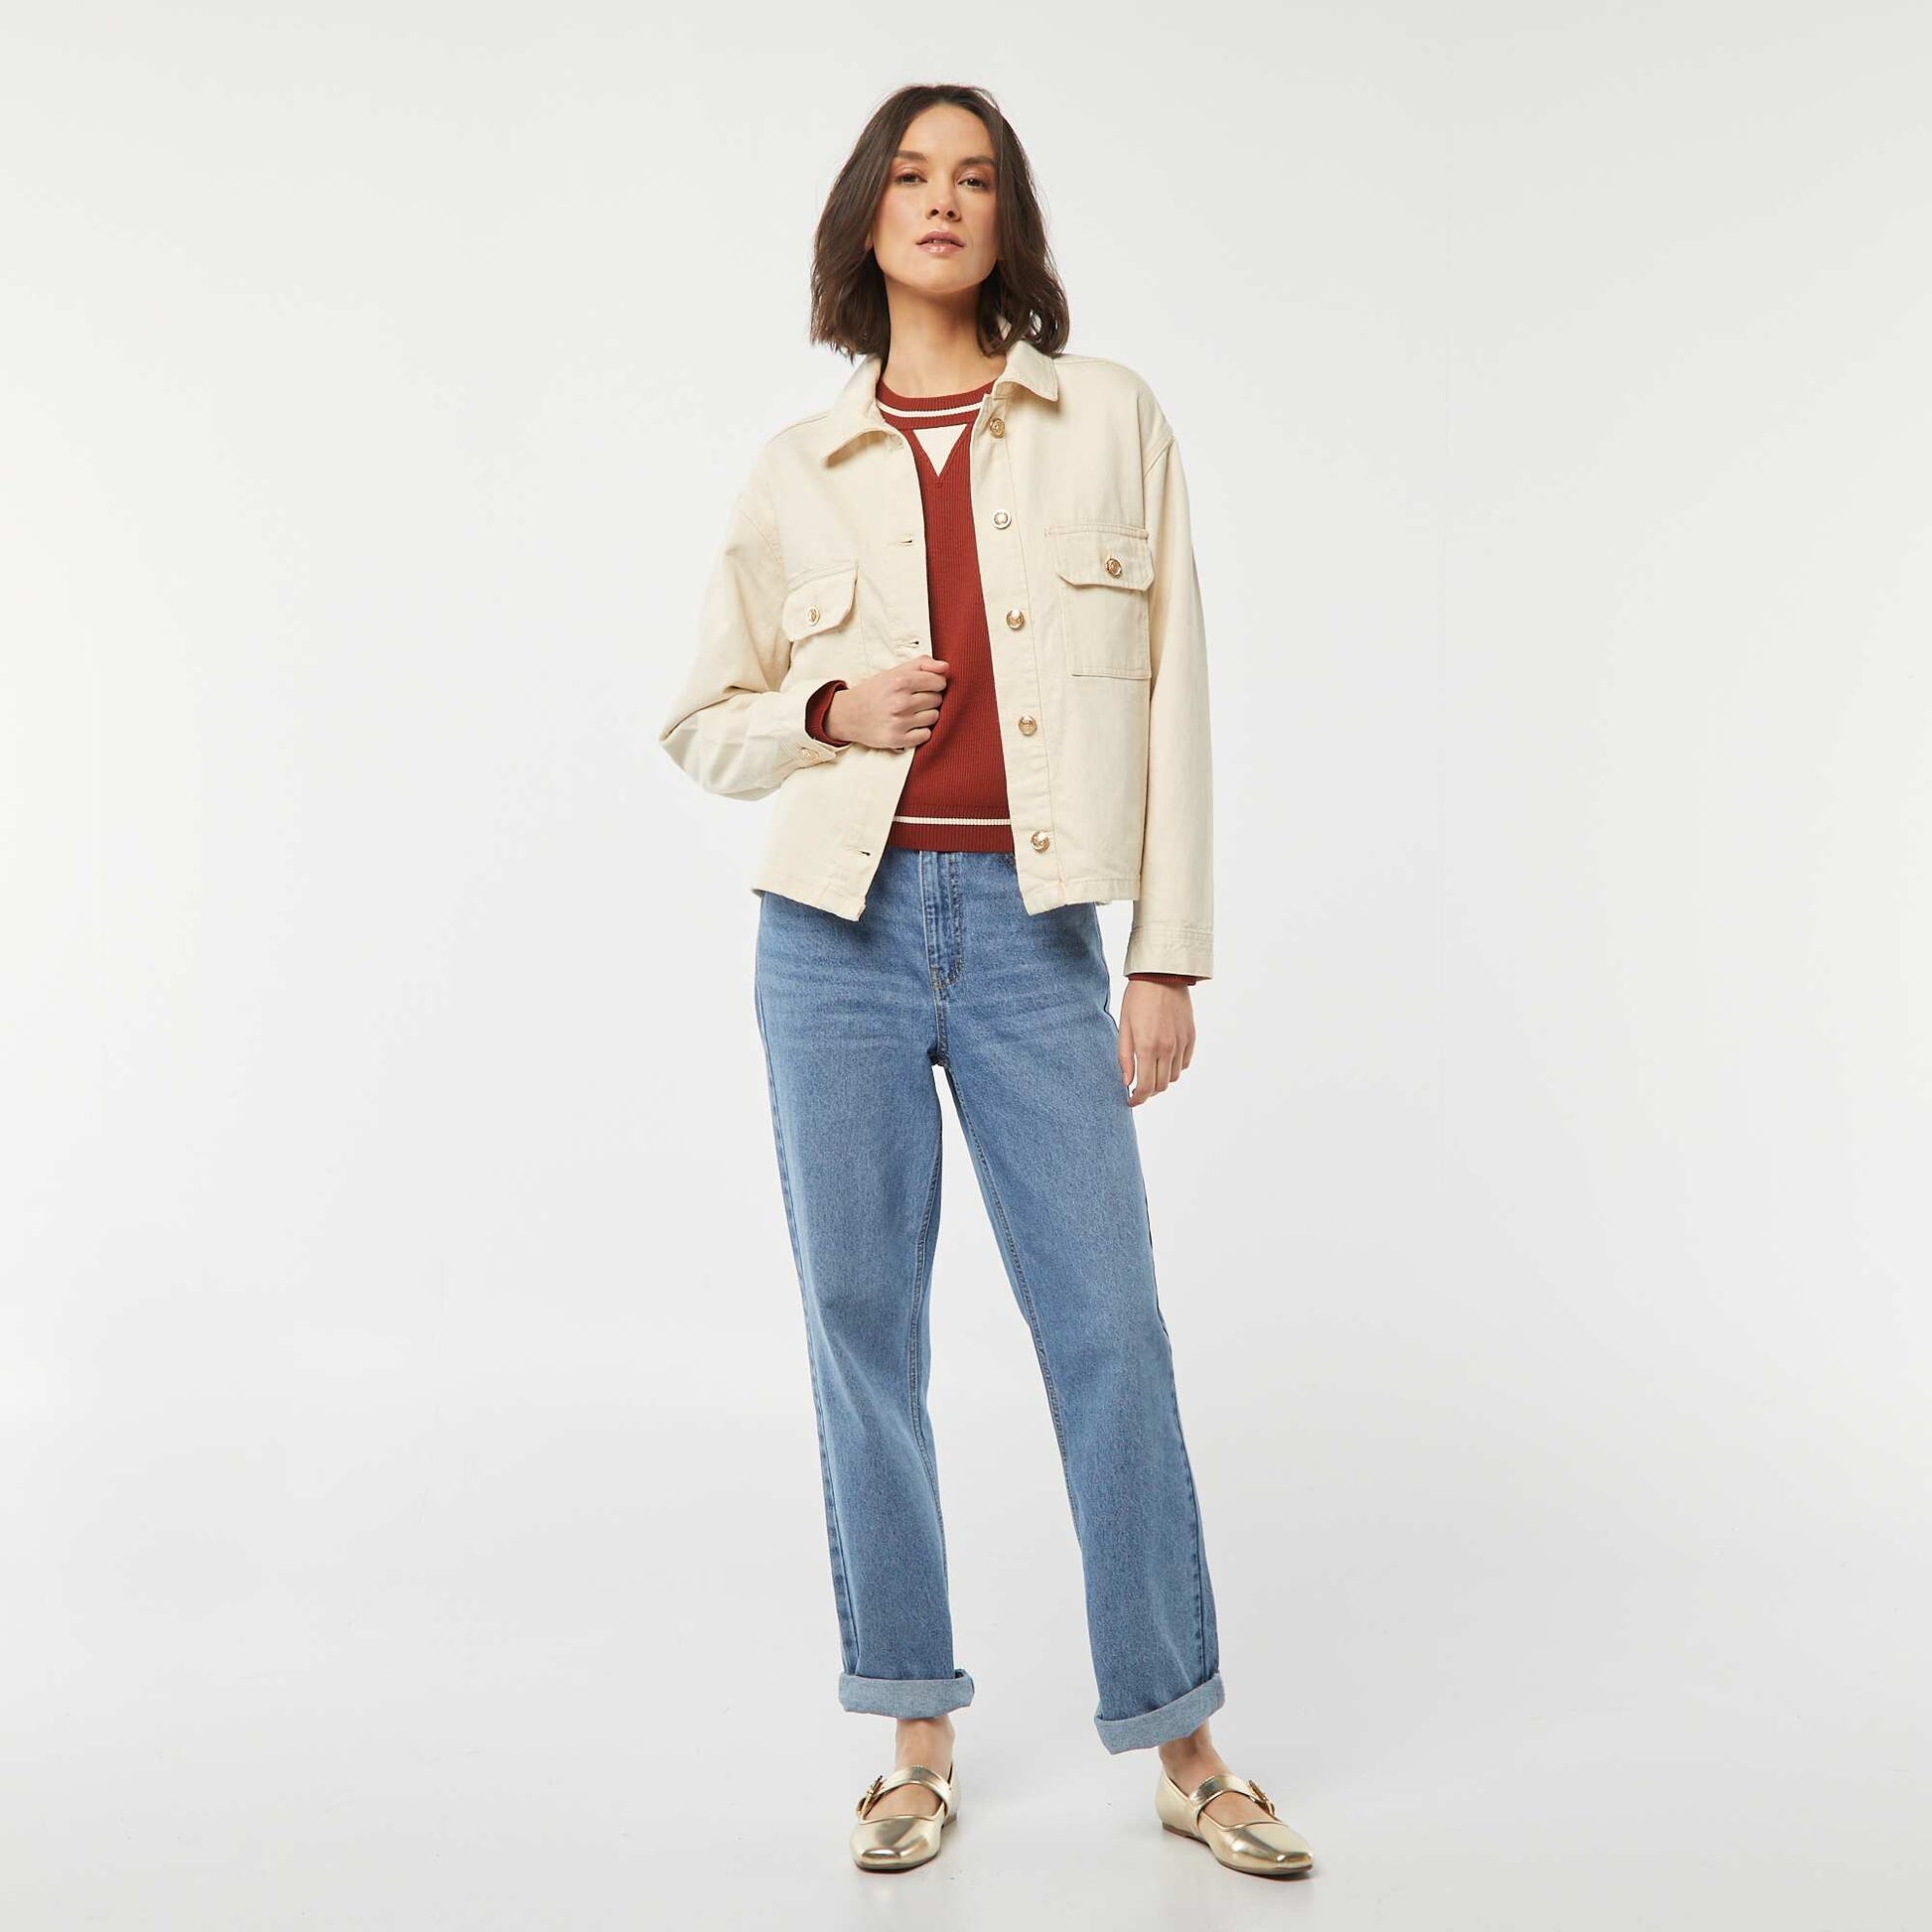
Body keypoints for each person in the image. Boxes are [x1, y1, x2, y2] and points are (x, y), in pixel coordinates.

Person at [657, 81, 1314, 1881]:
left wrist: (1164, 950)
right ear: (865, 219)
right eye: (908, 175)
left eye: (973, 178)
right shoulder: (797, 468)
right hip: (833, 938)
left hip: (1036, 939)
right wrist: (826, 706)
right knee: (862, 1330)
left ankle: (1185, 1740)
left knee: (1109, 1329)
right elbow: (701, 721)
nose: (939, 200)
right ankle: (912, 1733)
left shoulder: (1109, 422)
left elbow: (1175, 691)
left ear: (1007, 221)